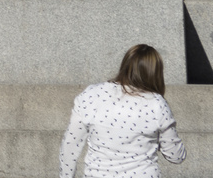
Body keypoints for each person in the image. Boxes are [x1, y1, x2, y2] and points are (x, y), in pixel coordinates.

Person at [60, 44, 187, 178]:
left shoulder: (91, 95)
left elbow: (70, 145)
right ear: (155, 73)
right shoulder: (157, 104)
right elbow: (176, 156)